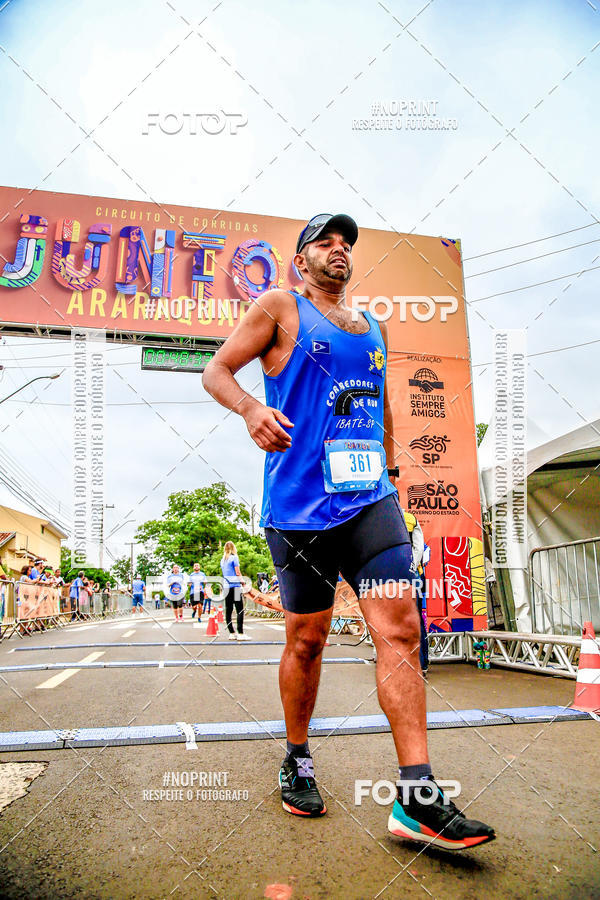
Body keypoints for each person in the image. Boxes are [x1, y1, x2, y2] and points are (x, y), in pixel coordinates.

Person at [202, 212, 495, 848]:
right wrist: (251, 409)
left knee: (402, 629)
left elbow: (381, 405)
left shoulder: (375, 328)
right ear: (301, 260)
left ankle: (416, 794)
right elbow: (216, 370)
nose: (339, 250)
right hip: (300, 510)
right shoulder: (279, 307)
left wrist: (390, 472)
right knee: (307, 641)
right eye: (325, 242)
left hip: (370, 504)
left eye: (346, 243)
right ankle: (297, 758)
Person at [402, 511, 429, 675]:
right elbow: (418, 547)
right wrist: (411, 567)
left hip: (397, 576)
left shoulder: (383, 518)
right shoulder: (410, 518)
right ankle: (420, 663)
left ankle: (412, 664)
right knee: (415, 619)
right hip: (412, 576)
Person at [220, 542, 249, 640]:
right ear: (233, 548)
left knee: (228, 610)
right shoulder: (234, 557)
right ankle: (240, 633)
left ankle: (232, 633)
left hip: (226, 587)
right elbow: (237, 572)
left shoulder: (222, 560)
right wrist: (243, 583)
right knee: (239, 609)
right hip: (235, 586)